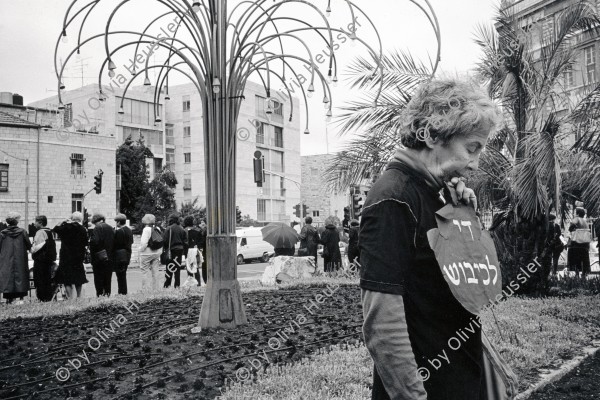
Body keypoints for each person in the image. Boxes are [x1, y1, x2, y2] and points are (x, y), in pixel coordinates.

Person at [359, 79, 500, 399]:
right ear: (433, 134)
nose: (476, 163)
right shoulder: (393, 198)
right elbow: (382, 326)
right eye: (472, 147)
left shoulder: (439, 195)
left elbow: (471, 292)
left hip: (460, 382)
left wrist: (465, 215)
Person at [53, 212, 89, 299]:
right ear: (80, 219)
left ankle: (70, 297)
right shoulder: (83, 229)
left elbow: (55, 229)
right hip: (78, 256)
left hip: (66, 256)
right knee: (78, 277)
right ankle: (79, 296)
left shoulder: (65, 227)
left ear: (72, 218)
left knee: (67, 278)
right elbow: (85, 242)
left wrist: (63, 221)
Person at [0, 212, 31, 304]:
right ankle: (21, 298)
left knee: (8, 277)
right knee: (21, 275)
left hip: (6, 259)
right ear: (17, 221)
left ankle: (9, 299)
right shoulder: (22, 232)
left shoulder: (2, 233)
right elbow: (29, 245)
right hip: (20, 258)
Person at [31, 215, 57, 302]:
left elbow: (37, 246)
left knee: (40, 280)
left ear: (40, 223)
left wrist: (31, 250)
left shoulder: (40, 232)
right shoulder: (50, 232)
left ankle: (42, 298)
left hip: (40, 260)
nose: (34, 224)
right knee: (47, 279)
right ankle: (47, 298)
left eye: (35, 222)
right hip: (48, 259)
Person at [89, 213, 115, 297]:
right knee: (108, 278)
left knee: (98, 278)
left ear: (95, 221)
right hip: (110, 257)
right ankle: (107, 294)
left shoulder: (97, 228)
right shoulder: (111, 228)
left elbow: (95, 242)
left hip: (99, 258)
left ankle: (100, 295)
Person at [163, 212, 187, 289]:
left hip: (171, 250)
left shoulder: (169, 228)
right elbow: (185, 241)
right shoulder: (182, 229)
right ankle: (177, 285)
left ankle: (167, 284)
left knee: (169, 268)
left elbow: (165, 241)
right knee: (177, 269)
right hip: (179, 250)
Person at [139, 213, 162, 290]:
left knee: (144, 271)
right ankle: (156, 289)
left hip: (147, 253)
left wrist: (140, 250)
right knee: (155, 271)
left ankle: (146, 289)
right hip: (156, 252)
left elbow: (144, 243)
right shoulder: (157, 228)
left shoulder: (146, 229)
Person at [568, 207, 591, 278]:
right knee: (584, 259)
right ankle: (584, 274)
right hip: (585, 244)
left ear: (577, 213)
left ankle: (577, 274)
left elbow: (571, 228)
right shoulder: (585, 222)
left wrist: (571, 229)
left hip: (577, 243)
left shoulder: (577, 219)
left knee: (575, 258)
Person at [113, 214, 133, 295]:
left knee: (120, 276)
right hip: (127, 254)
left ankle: (122, 292)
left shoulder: (119, 232)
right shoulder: (129, 230)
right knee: (123, 274)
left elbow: (116, 244)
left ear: (118, 222)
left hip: (120, 256)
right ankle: (123, 292)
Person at [183, 216, 203, 286]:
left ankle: (191, 282)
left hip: (187, 251)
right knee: (195, 267)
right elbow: (201, 242)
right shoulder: (197, 231)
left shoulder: (184, 231)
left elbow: (184, 243)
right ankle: (198, 283)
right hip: (195, 251)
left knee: (189, 268)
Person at [199, 219, 208, 284]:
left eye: (203, 223)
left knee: (204, 266)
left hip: (205, 252)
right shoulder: (207, 230)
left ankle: (205, 280)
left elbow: (202, 242)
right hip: (207, 251)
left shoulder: (204, 231)